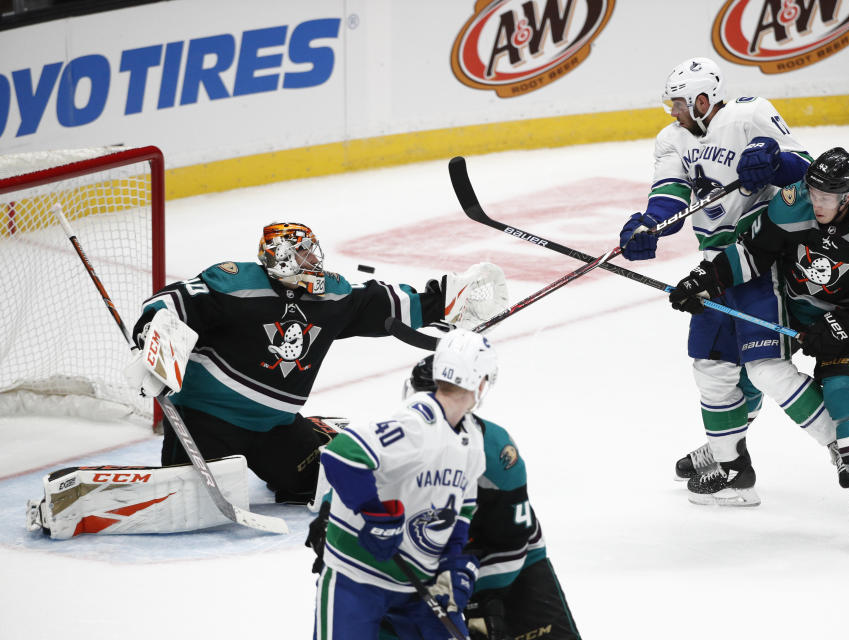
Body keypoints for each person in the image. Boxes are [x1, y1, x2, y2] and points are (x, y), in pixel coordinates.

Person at [127, 221, 508, 504]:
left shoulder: (331, 296)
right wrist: (152, 338)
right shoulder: (235, 283)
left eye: (313, 251)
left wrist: (447, 299)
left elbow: (379, 303)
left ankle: (314, 430)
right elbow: (173, 302)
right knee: (188, 497)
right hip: (206, 421)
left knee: (314, 486)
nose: (314, 260)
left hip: (274, 427)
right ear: (279, 257)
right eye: (303, 253)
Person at [618, 56, 836, 506]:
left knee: (764, 369)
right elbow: (670, 198)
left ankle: (844, 449)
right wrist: (648, 226)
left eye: (678, 103)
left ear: (702, 99)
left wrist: (774, 162)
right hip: (716, 264)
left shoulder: (750, 114)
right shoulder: (670, 139)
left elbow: (808, 168)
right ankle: (732, 468)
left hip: (762, 255)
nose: (672, 111)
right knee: (713, 369)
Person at [668, 147, 849, 550]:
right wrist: (706, 278)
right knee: (752, 373)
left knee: (844, 395)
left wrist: (842, 324)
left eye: (826, 198)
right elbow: (754, 253)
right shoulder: (793, 201)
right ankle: (726, 450)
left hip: (843, 318)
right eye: (813, 192)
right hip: (789, 305)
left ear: (848, 196)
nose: (816, 202)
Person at [310, 329, 496, 639]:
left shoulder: (472, 438)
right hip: (356, 577)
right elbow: (340, 455)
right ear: (479, 380)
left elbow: (462, 508)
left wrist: (451, 564)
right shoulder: (418, 424)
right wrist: (376, 515)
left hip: (418, 587)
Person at [402, 353, 580, 640]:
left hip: (505, 564)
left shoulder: (496, 452)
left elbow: (514, 540)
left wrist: (482, 598)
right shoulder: (395, 441)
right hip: (426, 570)